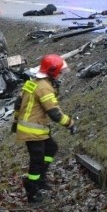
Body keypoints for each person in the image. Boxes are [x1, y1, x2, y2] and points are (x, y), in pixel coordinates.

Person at [12, 54, 76, 204]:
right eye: (59, 72)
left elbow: (18, 102)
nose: (61, 75)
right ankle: (32, 189)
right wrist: (70, 123)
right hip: (33, 130)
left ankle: (40, 178)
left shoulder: (32, 82)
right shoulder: (45, 88)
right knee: (37, 160)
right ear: (53, 72)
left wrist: (15, 120)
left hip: (32, 127)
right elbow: (54, 112)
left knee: (51, 148)